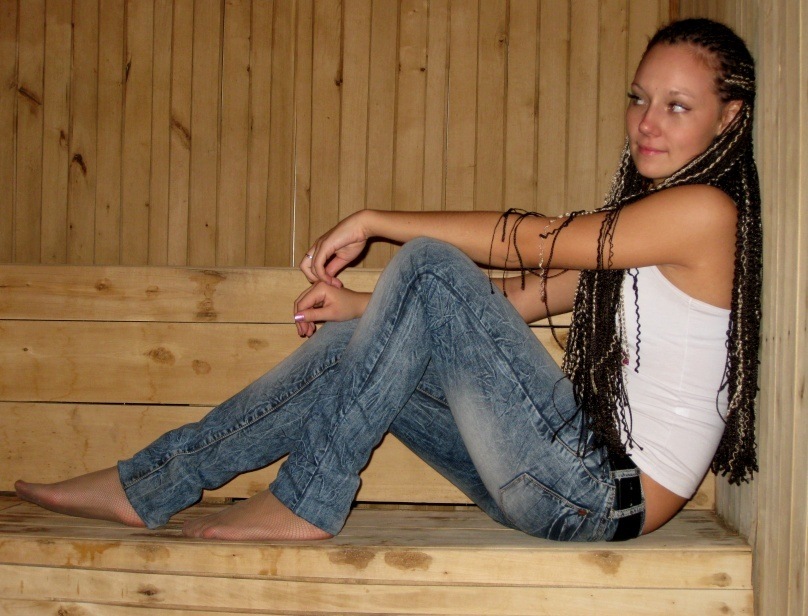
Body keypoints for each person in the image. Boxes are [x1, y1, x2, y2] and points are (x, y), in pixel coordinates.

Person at [15, 17, 761, 543]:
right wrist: (365, 308)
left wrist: (377, 220)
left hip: (595, 496)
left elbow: (531, 240)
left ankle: (308, 497)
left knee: (430, 262)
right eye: (639, 98)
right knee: (358, 336)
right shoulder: (646, 228)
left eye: (677, 106)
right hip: (548, 480)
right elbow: (511, 302)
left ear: (728, 119)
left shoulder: (705, 213)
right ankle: (150, 484)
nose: (647, 122)